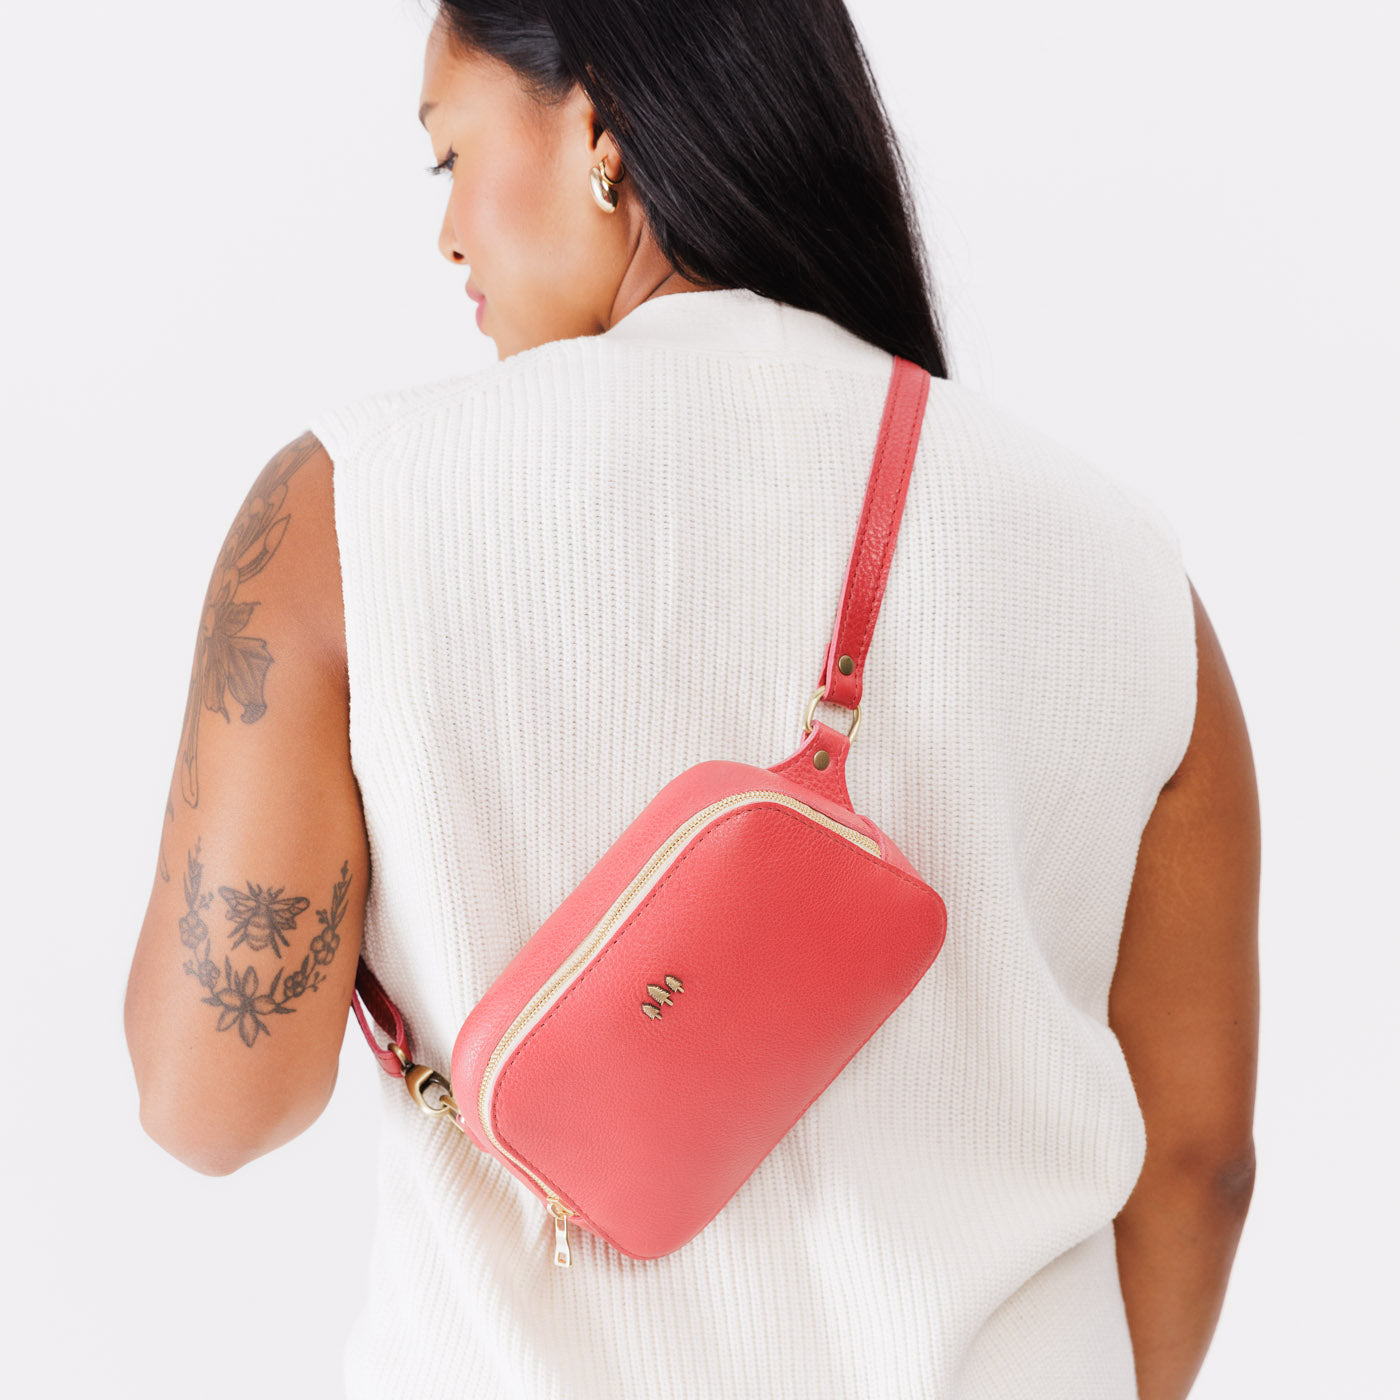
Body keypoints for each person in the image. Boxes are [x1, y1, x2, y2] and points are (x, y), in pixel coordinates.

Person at [122, 2, 1260, 1397]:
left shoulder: (342, 513)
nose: (448, 237)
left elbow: (212, 1103)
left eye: (451, 156)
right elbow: (1199, 1169)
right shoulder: (1128, 571)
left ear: (602, 129)